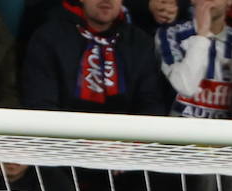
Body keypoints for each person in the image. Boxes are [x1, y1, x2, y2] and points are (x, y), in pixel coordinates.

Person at [22, 0, 166, 115]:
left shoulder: (140, 42)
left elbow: (151, 103)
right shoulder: (49, 38)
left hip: (125, 145)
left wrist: (129, 143)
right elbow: (40, 103)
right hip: (63, 143)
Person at [157, 0, 232, 120]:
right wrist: (202, 35)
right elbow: (186, 87)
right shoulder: (172, 34)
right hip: (176, 132)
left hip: (225, 134)